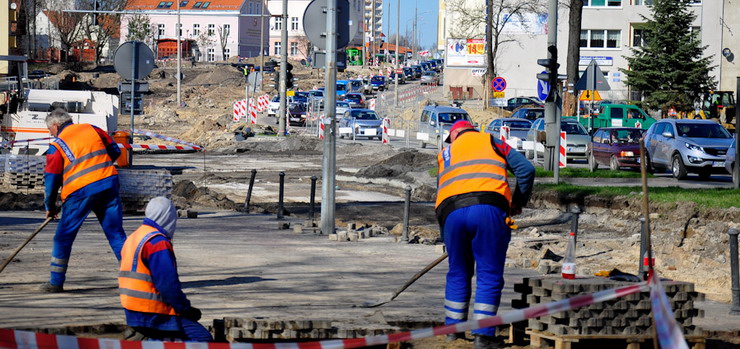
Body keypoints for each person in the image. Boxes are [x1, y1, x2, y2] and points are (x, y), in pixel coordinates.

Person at [436, 120, 535, 349]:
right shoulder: (490, 140)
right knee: (488, 274)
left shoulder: (445, 154)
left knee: (458, 273)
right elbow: (526, 169)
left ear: (455, 134)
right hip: (488, 210)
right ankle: (483, 336)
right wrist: (517, 203)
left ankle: (453, 331)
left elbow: (441, 193)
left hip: (451, 214)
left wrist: (446, 237)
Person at [42, 109, 126, 293]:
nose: (51, 133)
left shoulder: (57, 145)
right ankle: (135, 279)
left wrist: (50, 206)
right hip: (108, 184)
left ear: (55, 126)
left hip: (80, 192)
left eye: (50, 130)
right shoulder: (92, 129)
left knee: (63, 237)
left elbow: (51, 179)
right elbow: (114, 150)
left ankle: (55, 283)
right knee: (116, 234)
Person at [119, 197, 213, 342]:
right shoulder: (157, 243)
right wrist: (186, 309)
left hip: (132, 310)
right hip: (153, 312)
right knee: (202, 338)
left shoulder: (135, 236)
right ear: (168, 217)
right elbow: (168, 286)